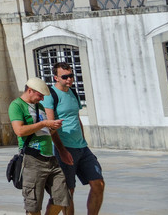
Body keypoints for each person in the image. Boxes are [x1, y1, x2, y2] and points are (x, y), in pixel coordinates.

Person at [44, 63, 105, 215]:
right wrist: (62, 151)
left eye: (71, 76)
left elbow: (77, 118)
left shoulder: (73, 93)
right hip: (63, 148)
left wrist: (83, 141)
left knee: (98, 184)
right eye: (65, 77)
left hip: (82, 148)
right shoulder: (50, 95)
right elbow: (51, 127)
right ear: (56, 77)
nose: (69, 79)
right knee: (68, 191)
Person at [9, 77, 72, 215]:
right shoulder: (16, 105)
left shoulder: (40, 107)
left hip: (50, 158)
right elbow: (19, 130)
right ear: (30, 90)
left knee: (62, 197)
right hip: (33, 159)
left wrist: (53, 127)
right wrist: (44, 124)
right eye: (40, 95)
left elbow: (45, 131)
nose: (42, 99)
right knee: (33, 205)